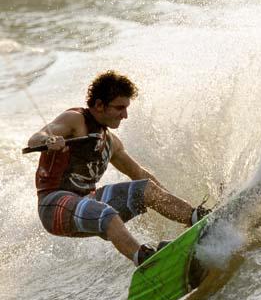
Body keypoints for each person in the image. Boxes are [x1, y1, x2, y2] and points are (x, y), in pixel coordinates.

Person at [27, 70, 210, 266]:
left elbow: (138, 173)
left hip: (87, 201)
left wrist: (174, 204)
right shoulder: (75, 119)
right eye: (119, 108)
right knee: (106, 212)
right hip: (53, 206)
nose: (125, 115)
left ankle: (198, 219)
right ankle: (146, 260)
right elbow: (34, 139)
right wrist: (49, 140)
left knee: (146, 187)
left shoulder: (111, 143)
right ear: (99, 105)